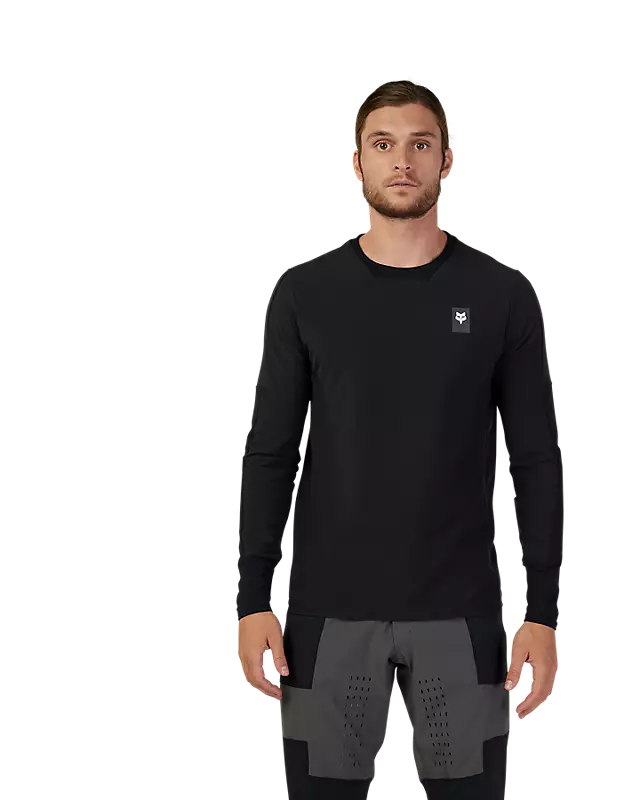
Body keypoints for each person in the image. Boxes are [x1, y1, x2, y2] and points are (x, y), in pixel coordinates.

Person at [236, 78, 563, 799]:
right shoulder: (305, 293)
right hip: (327, 616)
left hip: (460, 615)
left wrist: (543, 611)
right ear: (357, 162)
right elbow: (271, 453)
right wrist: (252, 596)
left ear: (447, 160)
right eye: (383, 145)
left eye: (421, 143)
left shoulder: (501, 294)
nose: (402, 161)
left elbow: (536, 459)